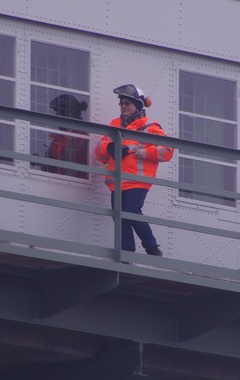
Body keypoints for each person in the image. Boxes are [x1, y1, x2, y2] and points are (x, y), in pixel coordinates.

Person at [94, 84, 174, 256]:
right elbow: (99, 151)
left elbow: (168, 150)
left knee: (131, 211)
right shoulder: (114, 126)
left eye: (127, 103)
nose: (123, 106)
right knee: (119, 216)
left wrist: (147, 152)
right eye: (121, 103)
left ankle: (151, 247)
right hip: (117, 181)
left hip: (137, 181)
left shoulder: (150, 127)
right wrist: (109, 147)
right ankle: (126, 254)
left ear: (137, 106)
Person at [45, 93, 89, 178]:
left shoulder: (82, 138)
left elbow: (77, 160)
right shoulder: (58, 138)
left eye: (60, 112)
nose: (57, 116)